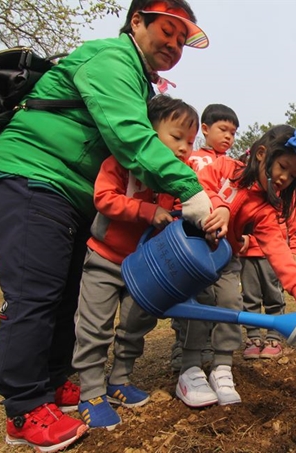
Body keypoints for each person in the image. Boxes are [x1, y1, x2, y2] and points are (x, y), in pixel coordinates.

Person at [0, 1, 213, 450]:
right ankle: (24, 408)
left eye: (183, 41)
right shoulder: (110, 59)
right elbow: (129, 136)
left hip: (70, 192)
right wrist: (191, 190)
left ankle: (54, 381)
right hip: (34, 175)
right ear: (137, 21)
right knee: (35, 293)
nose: (175, 46)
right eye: (168, 31)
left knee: (67, 292)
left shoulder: (141, 82)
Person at [175, 125, 296, 408]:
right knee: (198, 306)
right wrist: (219, 205)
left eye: (293, 175)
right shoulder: (224, 167)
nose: (285, 178)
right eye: (283, 167)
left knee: (229, 303)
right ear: (262, 154)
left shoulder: (265, 209)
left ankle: (222, 368)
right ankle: (189, 369)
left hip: (224, 260)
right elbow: (197, 182)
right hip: (191, 252)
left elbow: (278, 250)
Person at [72, 94, 199, 430]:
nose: (185, 148)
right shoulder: (120, 162)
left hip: (143, 269)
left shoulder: (179, 177)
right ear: (147, 131)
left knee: (134, 326)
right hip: (104, 258)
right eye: (176, 137)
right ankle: (92, 393)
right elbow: (103, 198)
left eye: (191, 141)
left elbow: (194, 202)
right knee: (94, 326)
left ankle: (120, 379)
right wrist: (148, 210)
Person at [170, 102, 239, 372]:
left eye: (233, 133)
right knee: (193, 294)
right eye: (223, 129)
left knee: (220, 297)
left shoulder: (234, 166)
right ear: (206, 129)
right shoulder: (192, 157)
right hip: (190, 236)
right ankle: (181, 348)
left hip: (219, 242)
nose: (228, 137)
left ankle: (211, 348)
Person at [240, 208, 296, 360]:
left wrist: (294, 249)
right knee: (249, 296)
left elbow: (295, 222)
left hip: (275, 252)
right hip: (247, 252)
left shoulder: (285, 192)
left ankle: (273, 338)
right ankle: (253, 337)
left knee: (273, 296)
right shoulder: (249, 189)